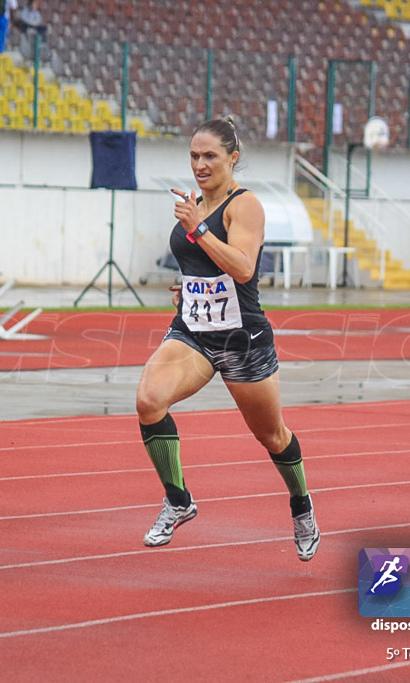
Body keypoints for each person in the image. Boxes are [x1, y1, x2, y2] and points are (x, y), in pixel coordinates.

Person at [135, 116, 320, 561]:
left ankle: (301, 506)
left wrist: (198, 228)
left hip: (242, 338)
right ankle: (178, 500)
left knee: (272, 435)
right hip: (193, 331)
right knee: (148, 400)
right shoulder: (194, 201)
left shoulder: (245, 205)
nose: (200, 164)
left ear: (232, 158)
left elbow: (242, 268)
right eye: (194, 156)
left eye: (210, 156)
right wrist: (191, 286)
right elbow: (205, 266)